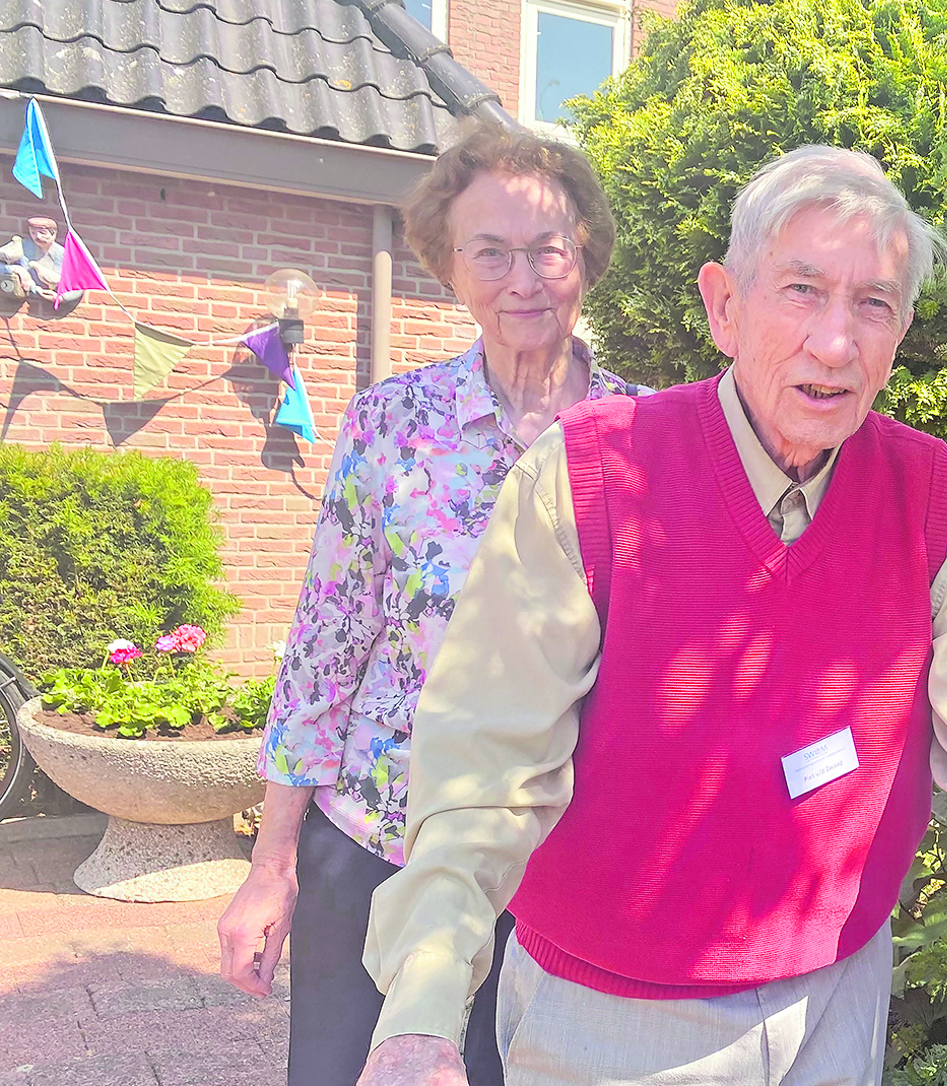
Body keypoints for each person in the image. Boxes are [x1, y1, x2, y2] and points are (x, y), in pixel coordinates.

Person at [353, 145, 947, 1086]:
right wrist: (422, 1016)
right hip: (605, 1017)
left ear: (901, 329)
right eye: (801, 290)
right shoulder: (588, 476)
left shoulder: (939, 502)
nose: (836, 343)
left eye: (872, 304)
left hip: (836, 997)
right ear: (724, 306)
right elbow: (486, 770)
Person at [216, 118, 640, 1086]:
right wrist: (270, 864)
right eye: (489, 251)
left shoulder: (643, 437)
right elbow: (325, 646)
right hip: (380, 837)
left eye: (547, 249)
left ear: (588, 258)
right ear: (448, 266)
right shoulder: (388, 426)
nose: (522, 278)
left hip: (562, 854)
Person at [0, 215, 85, 316]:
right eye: (33, 233)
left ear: (53, 234)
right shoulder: (20, 246)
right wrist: (15, 269)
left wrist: (62, 297)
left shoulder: (64, 254)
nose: (38, 237)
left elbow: (79, 281)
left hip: (51, 310)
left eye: (43, 233)